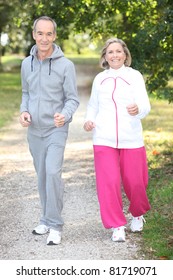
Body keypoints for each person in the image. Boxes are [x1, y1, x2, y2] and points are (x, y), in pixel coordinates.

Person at [19, 16, 79, 245]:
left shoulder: (66, 65)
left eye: (49, 34)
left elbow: (72, 99)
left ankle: (55, 225)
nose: (44, 38)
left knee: (53, 172)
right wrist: (24, 111)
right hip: (34, 129)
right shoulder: (27, 63)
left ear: (55, 36)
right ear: (34, 35)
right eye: (40, 33)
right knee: (42, 175)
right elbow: (26, 93)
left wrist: (65, 115)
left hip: (56, 128)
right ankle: (45, 218)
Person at [84, 38, 151, 242]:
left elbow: (145, 105)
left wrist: (138, 109)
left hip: (131, 138)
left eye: (118, 51)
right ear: (105, 56)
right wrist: (89, 120)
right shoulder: (100, 79)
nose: (114, 55)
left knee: (135, 182)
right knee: (109, 182)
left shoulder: (134, 76)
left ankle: (137, 214)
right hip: (103, 138)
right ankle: (117, 225)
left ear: (125, 55)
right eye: (110, 52)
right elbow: (93, 106)